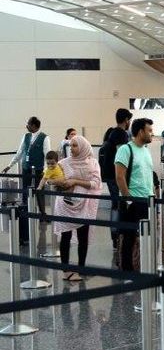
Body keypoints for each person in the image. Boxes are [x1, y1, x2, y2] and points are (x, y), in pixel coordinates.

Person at [51, 135, 102, 281]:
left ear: (84, 147)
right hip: (65, 205)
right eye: (70, 145)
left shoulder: (93, 163)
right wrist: (60, 183)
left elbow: (96, 183)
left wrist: (75, 181)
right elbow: (52, 179)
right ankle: (66, 270)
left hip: (84, 204)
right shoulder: (63, 163)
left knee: (83, 237)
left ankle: (81, 268)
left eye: (75, 145)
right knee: (65, 236)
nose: (71, 148)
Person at [114, 118, 155, 272]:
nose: (152, 133)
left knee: (145, 238)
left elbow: (148, 176)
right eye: (149, 130)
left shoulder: (146, 151)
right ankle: (127, 271)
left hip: (147, 201)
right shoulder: (125, 149)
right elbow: (119, 176)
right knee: (128, 238)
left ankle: (142, 267)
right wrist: (129, 200)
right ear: (140, 132)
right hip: (133, 201)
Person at [3, 116, 51, 242]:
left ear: (34, 125)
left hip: (39, 170)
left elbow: (47, 154)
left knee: (39, 192)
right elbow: (19, 152)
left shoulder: (45, 138)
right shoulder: (25, 137)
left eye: (28, 124)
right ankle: (26, 212)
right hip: (26, 168)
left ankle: (42, 215)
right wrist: (9, 165)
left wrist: (47, 171)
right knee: (25, 192)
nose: (27, 126)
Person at [103, 108, 132, 249]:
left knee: (116, 204)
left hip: (109, 174)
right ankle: (117, 236)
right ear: (126, 120)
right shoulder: (121, 134)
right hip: (116, 175)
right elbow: (122, 155)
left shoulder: (111, 132)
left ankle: (116, 236)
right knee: (118, 205)